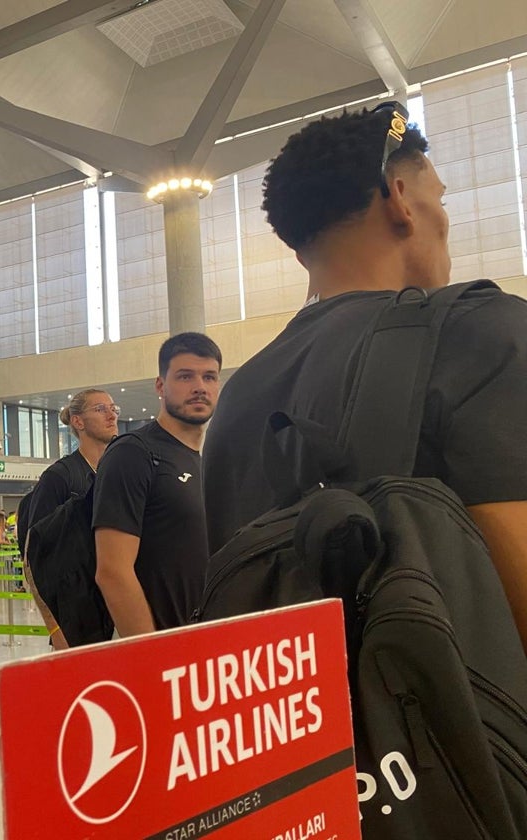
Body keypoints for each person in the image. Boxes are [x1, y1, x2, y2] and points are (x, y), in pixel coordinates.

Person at [202, 104, 527, 651]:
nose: (444, 218)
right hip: (458, 727)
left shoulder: (237, 395)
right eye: (440, 197)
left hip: (315, 729)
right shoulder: (479, 331)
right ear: (400, 198)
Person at [92, 333, 222, 638]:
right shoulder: (133, 453)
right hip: (164, 646)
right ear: (161, 386)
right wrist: (153, 657)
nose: (199, 387)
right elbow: (112, 572)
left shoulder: (208, 460)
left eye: (209, 377)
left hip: (209, 643)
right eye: (185, 376)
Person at [22, 389, 118, 647]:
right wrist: (55, 629)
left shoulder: (118, 473)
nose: (111, 415)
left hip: (119, 611)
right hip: (78, 621)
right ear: (78, 421)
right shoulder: (59, 478)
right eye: (100, 409)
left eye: (113, 408)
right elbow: (32, 558)